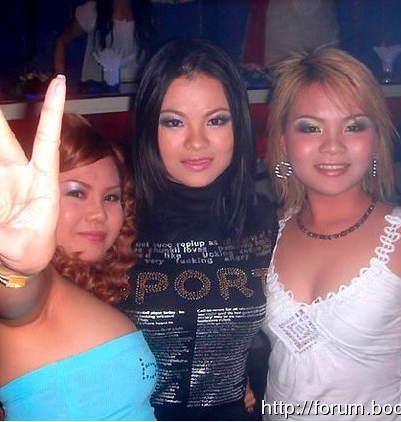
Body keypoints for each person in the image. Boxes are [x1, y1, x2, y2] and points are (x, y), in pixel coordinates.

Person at [0, 70, 156, 420]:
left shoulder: (93, 284)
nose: (98, 212)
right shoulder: (39, 284)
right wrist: (11, 267)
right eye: (76, 192)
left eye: (111, 197)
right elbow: (15, 297)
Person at [263, 47, 401, 419]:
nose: (333, 145)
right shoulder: (268, 232)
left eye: (353, 126)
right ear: (284, 141)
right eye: (311, 127)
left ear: (375, 139)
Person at [119, 38, 278, 420]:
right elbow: (32, 306)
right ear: (149, 128)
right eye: (174, 121)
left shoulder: (265, 220)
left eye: (216, 120)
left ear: (238, 125)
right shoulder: (114, 219)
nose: (196, 141)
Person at [53, 0, 152, 85]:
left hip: (135, 91)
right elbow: (61, 41)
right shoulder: (93, 11)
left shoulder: (145, 14)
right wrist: (60, 80)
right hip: (98, 92)